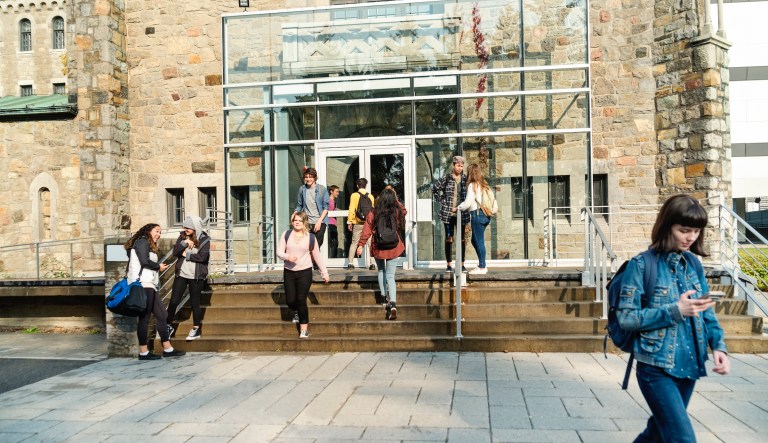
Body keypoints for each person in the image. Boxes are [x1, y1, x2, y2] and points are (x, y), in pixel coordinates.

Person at [617, 194, 730, 442]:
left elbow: (706, 311)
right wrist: (675, 311)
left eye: (696, 231)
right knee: (682, 438)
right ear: (667, 226)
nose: (691, 237)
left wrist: (718, 345)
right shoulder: (641, 265)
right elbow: (626, 317)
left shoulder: (693, 264)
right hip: (656, 367)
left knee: (657, 433)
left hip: (690, 363)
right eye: (684, 230)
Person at [124, 223, 185, 360]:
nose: (159, 234)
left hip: (150, 284)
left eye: (160, 232)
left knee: (162, 315)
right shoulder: (142, 242)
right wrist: (158, 267)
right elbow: (144, 261)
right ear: (148, 231)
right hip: (143, 284)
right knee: (145, 318)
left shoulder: (146, 243)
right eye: (157, 231)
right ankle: (143, 352)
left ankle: (167, 348)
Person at [277, 211, 330, 338]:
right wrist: (287, 256)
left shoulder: (310, 237)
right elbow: (278, 252)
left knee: (301, 299)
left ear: (304, 222)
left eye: (300, 220)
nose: (297, 222)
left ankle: (304, 328)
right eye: (295, 220)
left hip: (305, 272)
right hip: (289, 272)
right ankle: (296, 311)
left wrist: (325, 273)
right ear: (292, 222)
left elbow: (317, 256)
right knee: (290, 301)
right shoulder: (286, 234)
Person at [356, 188, 406, 320]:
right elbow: (404, 211)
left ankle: (383, 297)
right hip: (394, 246)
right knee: (391, 275)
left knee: (381, 271)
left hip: (379, 246)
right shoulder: (396, 211)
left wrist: (361, 244)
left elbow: (366, 229)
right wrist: (396, 199)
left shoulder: (374, 212)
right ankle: (393, 304)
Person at [166, 215, 210, 341]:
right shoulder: (182, 236)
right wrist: (184, 243)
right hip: (182, 274)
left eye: (188, 227)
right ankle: (168, 326)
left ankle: (196, 329)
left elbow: (203, 257)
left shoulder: (205, 239)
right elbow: (175, 252)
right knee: (174, 301)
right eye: (184, 226)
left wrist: (187, 255)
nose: (185, 229)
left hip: (196, 277)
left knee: (195, 303)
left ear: (195, 227)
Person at [454, 163, 497, 275]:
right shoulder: (484, 184)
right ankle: (481, 265)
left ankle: (482, 267)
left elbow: (467, 203)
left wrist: (458, 208)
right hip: (485, 215)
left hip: (477, 215)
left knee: (479, 241)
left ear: (470, 173)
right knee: (475, 240)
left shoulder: (473, 185)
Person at [432, 155, 469, 273]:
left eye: (462, 166)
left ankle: (462, 264)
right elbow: (435, 189)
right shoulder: (447, 178)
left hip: (461, 213)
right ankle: (449, 264)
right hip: (448, 214)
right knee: (449, 238)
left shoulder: (465, 179)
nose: (459, 168)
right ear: (453, 165)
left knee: (462, 239)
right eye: (458, 166)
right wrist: (444, 202)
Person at [293, 167, 329, 248]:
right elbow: (299, 205)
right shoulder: (302, 189)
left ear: (314, 178)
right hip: (307, 222)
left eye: (310, 177)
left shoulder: (322, 189)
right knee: (307, 246)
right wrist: (295, 213)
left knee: (316, 247)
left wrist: (319, 221)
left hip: (320, 222)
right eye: (306, 177)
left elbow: (326, 207)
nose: (308, 179)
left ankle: (315, 260)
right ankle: (308, 261)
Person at [347, 177, 376, 270]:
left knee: (354, 243)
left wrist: (349, 221)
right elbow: (372, 211)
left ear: (357, 185)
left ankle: (350, 263)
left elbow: (352, 209)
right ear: (366, 186)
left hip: (358, 223)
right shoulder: (371, 196)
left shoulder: (354, 195)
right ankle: (372, 264)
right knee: (370, 244)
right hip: (369, 224)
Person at [328, 185, 340, 258]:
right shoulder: (328, 201)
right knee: (333, 243)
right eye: (336, 192)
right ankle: (331, 259)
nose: (338, 193)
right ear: (331, 191)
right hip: (329, 224)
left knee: (335, 243)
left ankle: (333, 259)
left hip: (333, 224)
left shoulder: (334, 202)